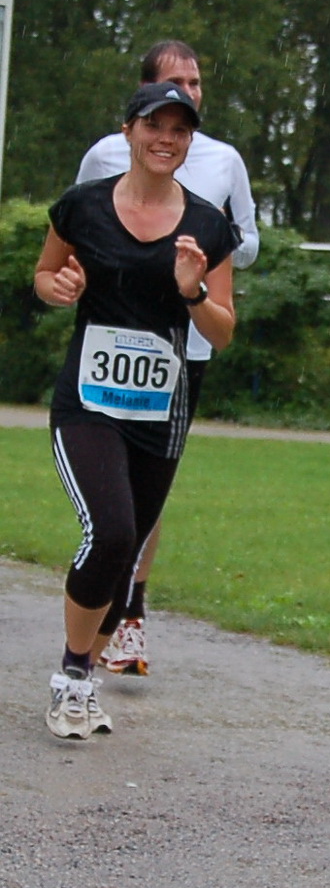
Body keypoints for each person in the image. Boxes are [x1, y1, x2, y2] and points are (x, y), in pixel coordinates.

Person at [35, 83, 238, 737]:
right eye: (155, 125)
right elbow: (46, 276)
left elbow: (224, 326)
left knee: (124, 560)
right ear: (128, 130)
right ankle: (71, 674)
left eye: (180, 130)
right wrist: (58, 287)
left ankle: (83, 681)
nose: (166, 140)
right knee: (112, 531)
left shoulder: (208, 225)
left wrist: (193, 289)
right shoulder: (83, 208)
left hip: (161, 407)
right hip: (88, 402)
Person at [75, 40, 259, 676]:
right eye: (175, 83)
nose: (190, 92)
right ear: (137, 113)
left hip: (188, 344)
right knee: (112, 508)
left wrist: (202, 259)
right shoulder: (104, 155)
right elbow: (81, 235)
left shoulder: (222, 159)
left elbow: (246, 238)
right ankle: (105, 624)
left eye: (198, 82)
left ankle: (129, 613)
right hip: (109, 342)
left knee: (145, 495)